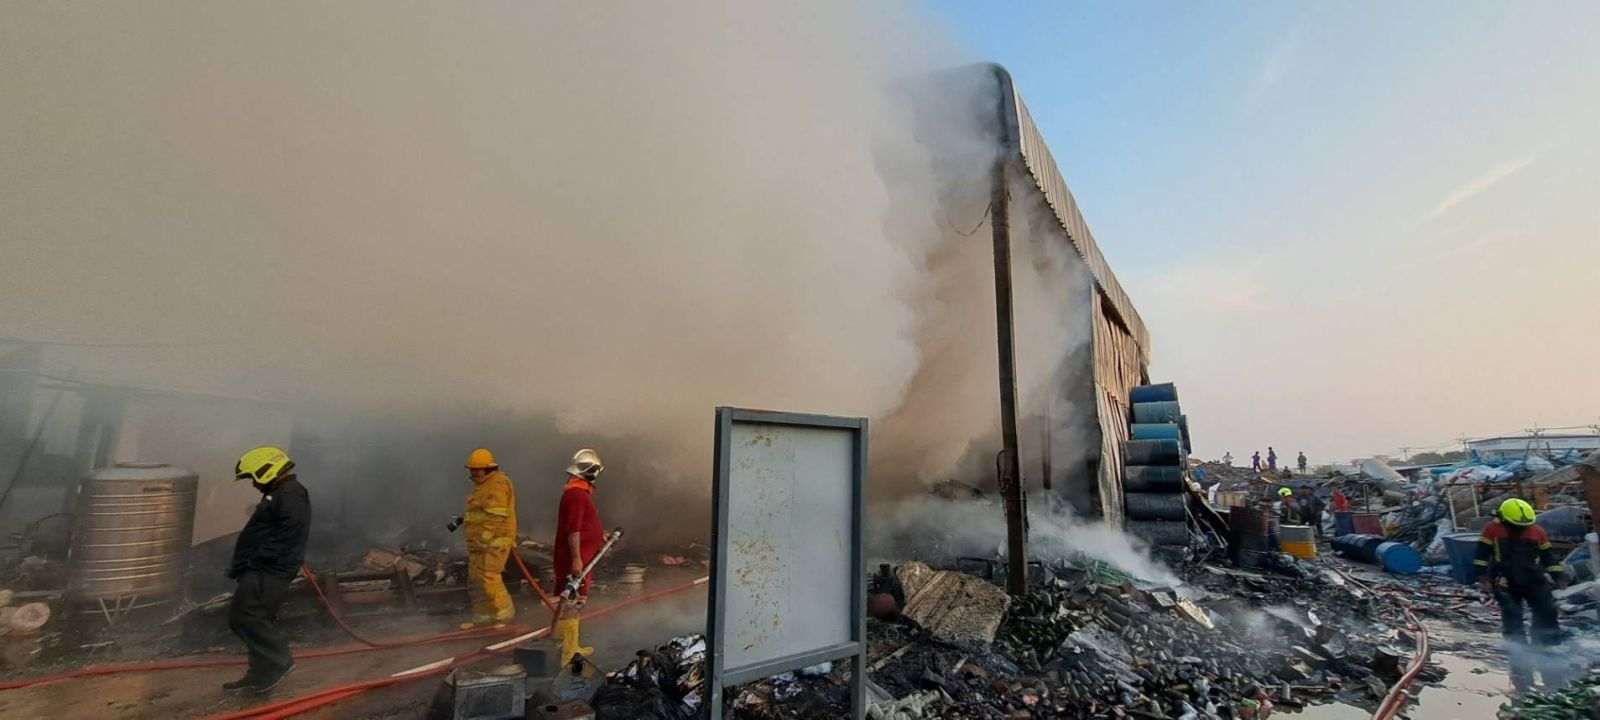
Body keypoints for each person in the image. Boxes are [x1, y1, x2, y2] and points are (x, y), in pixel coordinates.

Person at [225, 446, 311, 694]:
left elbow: (289, 533)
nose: (253, 484)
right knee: (254, 617)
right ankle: (259, 672)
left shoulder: (289, 494)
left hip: (269, 569)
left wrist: (257, 560)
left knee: (246, 616)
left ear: (266, 471)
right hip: (264, 567)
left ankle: (278, 662)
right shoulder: (280, 493)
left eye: (253, 477)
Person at [1475, 498, 1566, 692]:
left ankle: (1546, 644)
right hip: (1504, 579)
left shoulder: (1537, 532)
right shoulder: (1492, 530)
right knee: (1512, 613)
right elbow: (1481, 554)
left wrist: (1558, 576)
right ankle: (1518, 653)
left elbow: (1549, 557)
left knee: (1546, 610)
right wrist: (1482, 575)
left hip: (1533, 578)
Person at [554, 448, 607, 664]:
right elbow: (573, 530)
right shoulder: (576, 495)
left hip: (583, 558)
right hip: (577, 560)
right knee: (571, 603)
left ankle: (569, 646)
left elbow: (583, 526)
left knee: (575, 602)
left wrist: (599, 535)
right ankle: (567, 653)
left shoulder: (578, 493)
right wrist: (576, 559)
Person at [456, 448, 518, 630]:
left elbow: (497, 514)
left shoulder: (497, 483)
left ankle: (504, 617)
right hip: (478, 543)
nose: (474, 473)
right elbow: (479, 514)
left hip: (493, 542)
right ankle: (482, 619)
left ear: (488, 468)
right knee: (476, 581)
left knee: (490, 578)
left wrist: (486, 537)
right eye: (472, 470)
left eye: (478, 469)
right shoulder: (482, 486)